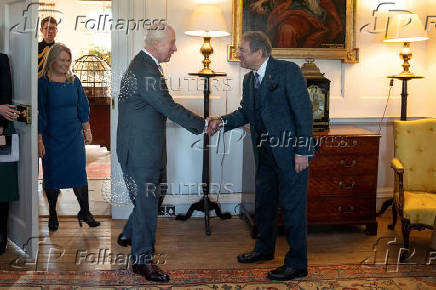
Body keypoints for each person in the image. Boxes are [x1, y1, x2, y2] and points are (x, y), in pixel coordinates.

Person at [207, 31, 313, 281]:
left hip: (291, 154)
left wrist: (303, 151)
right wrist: (221, 121)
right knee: (264, 205)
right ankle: (264, 250)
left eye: (241, 50)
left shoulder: (288, 71)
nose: (238, 55)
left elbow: (304, 113)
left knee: (292, 208)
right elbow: (246, 113)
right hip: (264, 153)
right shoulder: (248, 79)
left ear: (259, 52)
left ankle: (297, 264)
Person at [116, 24, 206, 282]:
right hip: (141, 150)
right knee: (147, 204)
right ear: (156, 44)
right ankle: (142, 261)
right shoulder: (145, 69)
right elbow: (168, 106)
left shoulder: (147, 65)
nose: (175, 48)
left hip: (148, 146)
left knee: (156, 196)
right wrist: (202, 124)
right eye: (172, 43)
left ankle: (130, 233)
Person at [38, 43, 100, 231]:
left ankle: (85, 212)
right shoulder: (42, 83)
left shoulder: (74, 80)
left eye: (68, 60)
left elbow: (82, 106)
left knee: (79, 174)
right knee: (52, 176)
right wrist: (39, 140)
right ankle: (53, 213)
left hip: (73, 137)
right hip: (52, 138)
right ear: (52, 60)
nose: (66, 64)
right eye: (62, 60)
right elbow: (40, 112)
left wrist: (87, 130)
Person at [0, 53, 19, 255]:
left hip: (0, 130)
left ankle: (2, 235)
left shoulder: (2, 60)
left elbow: (7, 97)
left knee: (2, 185)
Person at [265, 0, 342, 48]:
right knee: (286, 29)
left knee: (288, 29)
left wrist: (315, 8)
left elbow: (322, 9)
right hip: (290, 14)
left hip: (310, 18)